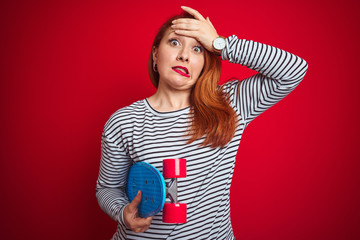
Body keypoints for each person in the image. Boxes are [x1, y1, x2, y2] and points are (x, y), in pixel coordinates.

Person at [96, 6, 308, 240]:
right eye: (175, 43)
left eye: (197, 48)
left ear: (206, 62)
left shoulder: (231, 104)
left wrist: (221, 44)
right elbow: (107, 189)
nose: (184, 56)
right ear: (156, 53)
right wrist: (123, 212)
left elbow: (294, 70)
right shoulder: (124, 121)